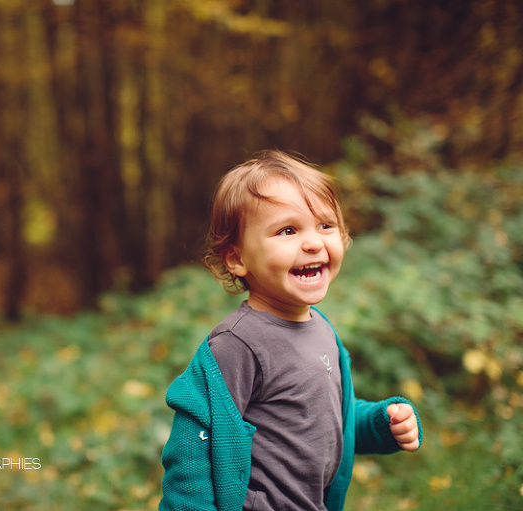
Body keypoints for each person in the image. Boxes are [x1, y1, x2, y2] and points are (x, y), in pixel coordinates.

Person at [158, 150, 422, 511]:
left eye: (325, 225)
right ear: (236, 258)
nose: (313, 242)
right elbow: (193, 443)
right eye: (288, 230)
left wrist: (380, 424)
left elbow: (324, 419)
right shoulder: (236, 345)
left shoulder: (322, 329)